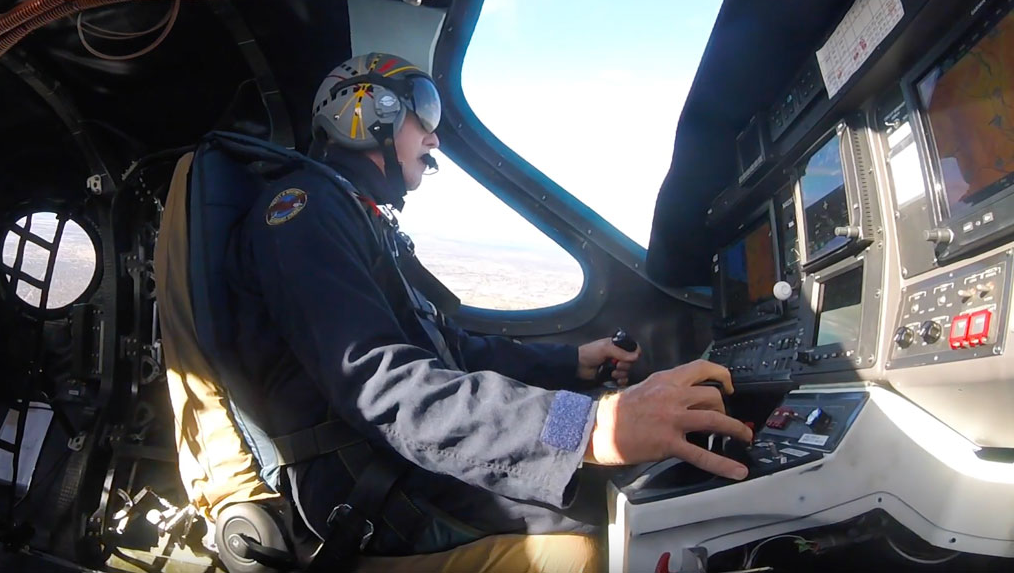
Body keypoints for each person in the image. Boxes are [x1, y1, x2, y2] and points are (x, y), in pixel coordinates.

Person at [223, 52, 753, 560]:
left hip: (393, 457)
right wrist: (590, 428)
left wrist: (571, 363)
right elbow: (388, 391)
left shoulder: (358, 216)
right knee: (611, 516)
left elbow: (448, 347)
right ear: (365, 112)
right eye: (423, 112)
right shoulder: (304, 213)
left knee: (636, 483)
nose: (434, 137)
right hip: (362, 482)